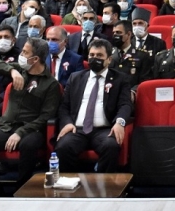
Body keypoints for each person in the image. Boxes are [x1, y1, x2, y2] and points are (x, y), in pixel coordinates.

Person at [0, 37, 61, 196]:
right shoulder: (19, 69)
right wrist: (12, 71)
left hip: (32, 130)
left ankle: (21, 191)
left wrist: (20, 133)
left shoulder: (51, 84)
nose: (21, 55)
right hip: (7, 127)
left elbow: (46, 117)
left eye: (25, 52)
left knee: (28, 146)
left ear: (35, 59)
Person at [54, 38, 132, 173]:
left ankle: (104, 184)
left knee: (111, 146)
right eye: (92, 55)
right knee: (63, 147)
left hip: (104, 130)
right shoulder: (75, 77)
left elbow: (125, 104)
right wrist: (67, 123)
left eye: (99, 55)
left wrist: (120, 122)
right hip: (77, 129)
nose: (95, 58)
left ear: (109, 59)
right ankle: (71, 182)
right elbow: (64, 106)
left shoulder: (120, 79)